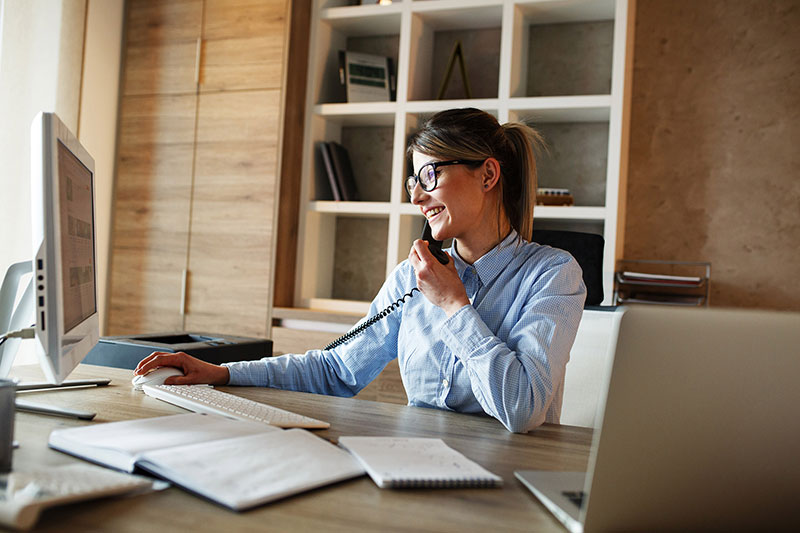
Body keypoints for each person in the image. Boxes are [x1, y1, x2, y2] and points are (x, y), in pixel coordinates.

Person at [135, 108, 586, 433]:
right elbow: (336, 370)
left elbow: (523, 409)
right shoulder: (413, 278)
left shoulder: (553, 275)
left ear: (488, 176)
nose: (416, 198)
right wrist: (223, 372)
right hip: (417, 465)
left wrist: (454, 305)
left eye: (429, 177)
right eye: (414, 182)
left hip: (508, 484)